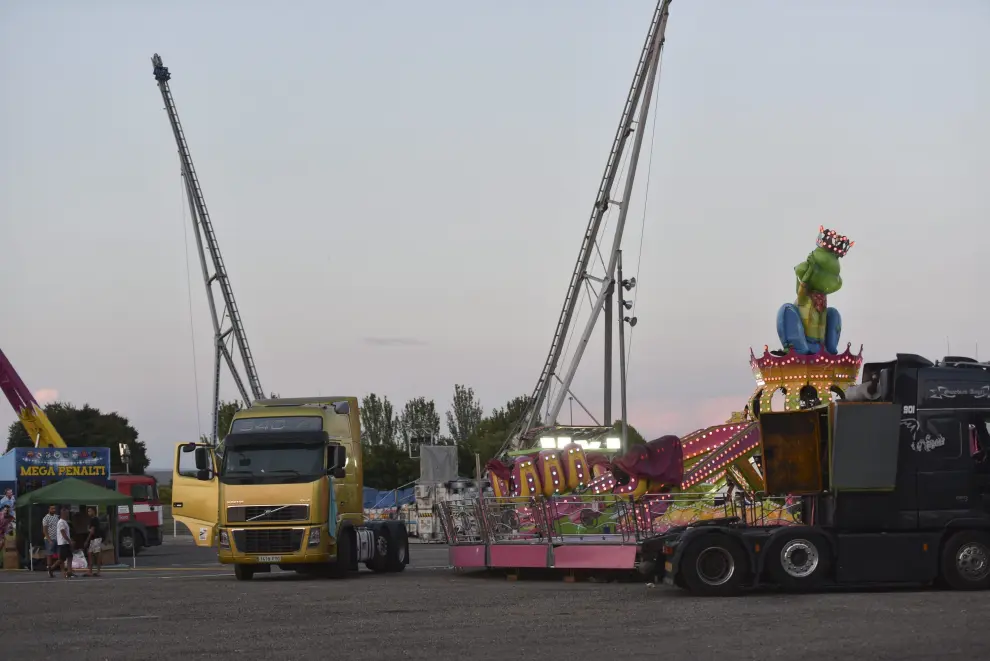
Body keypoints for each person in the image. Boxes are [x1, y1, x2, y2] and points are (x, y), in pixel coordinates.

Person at [55, 507, 75, 579]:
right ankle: (52, 568)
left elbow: (66, 533)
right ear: (63, 514)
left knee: (70, 556)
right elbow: (63, 533)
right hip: (62, 543)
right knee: (61, 559)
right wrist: (69, 541)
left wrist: (69, 540)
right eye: (66, 513)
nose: (67, 515)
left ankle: (69, 571)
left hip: (66, 542)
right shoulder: (61, 522)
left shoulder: (65, 522)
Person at [84, 506, 103, 576]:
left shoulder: (94, 520)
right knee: (90, 554)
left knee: (96, 554)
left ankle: (97, 571)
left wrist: (86, 540)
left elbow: (92, 531)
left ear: (93, 511)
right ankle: (91, 570)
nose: (88, 513)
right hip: (94, 539)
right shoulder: (94, 519)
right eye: (88, 511)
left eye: (90, 511)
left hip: (96, 539)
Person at [42, 504, 60, 577]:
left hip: (57, 538)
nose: (54, 510)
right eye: (52, 509)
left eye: (54, 509)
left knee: (58, 555)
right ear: (49, 509)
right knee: (49, 554)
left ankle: (54, 568)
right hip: (49, 539)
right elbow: (45, 530)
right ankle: (49, 569)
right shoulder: (45, 518)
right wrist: (49, 539)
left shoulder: (57, 517)